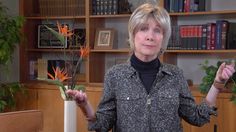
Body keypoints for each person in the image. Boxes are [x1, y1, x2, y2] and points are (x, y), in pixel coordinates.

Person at [66, 3, 235, 132]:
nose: (150, 37)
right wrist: (85, 106)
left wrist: (218, 83)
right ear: (133, 35)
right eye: (143, 29)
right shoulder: (115, 75)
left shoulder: (175, 74)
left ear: (163, 38)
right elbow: (101, 126)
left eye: (157, 31)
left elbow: (197, 117)